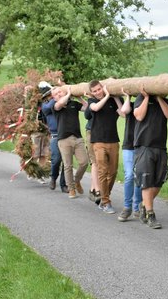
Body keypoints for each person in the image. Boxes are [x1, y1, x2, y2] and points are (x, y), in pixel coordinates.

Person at [132, 86, 168, 228]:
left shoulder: (166, 101)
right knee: (146, 181)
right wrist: (147, 98)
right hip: (144, 146)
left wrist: (159, 99)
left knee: (158, 182)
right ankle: (150, 214)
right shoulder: (141, 98)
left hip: (160, 146)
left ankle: (144, 203)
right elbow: (138, 115)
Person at [88, 80, 125, 214]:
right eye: (95, 91)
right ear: (92, 93)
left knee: (113, 172)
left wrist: (116, 98)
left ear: (103, 88)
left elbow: (123, 114)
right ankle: (105, 202)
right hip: (98, 141)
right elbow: (96, 108)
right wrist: (106, 96)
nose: (98, 92)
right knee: (102, 171)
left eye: (99, 89)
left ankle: (104, 196)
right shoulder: (92, 102)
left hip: (113, 140)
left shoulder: (113, 100)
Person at [53, 86, 89, 199]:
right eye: (56, 94)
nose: (59, 94)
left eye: (60, 91)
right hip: (64, 139)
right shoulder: (55, 106)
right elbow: (59, 104)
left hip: (77, 137)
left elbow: (87, 108)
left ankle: (77, 180)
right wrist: (68, 94)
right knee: (68, 165)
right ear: (54, 98)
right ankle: (71, 188)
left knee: (84, 162)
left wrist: (79, 98)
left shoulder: (73, 104)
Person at [117, 90, 143, 222]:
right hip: (128, 145)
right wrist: (127, 96)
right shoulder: (131, 105)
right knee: (128, 176)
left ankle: (137, 205)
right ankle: (127, 207)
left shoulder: (147, 105)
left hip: (141, 146)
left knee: (138, 176)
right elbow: (125, 110)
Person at [40, 82, 67, 192]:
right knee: (56, 159)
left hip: (66, 135)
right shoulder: (45, 105)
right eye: (49, 95)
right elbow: (48, 107)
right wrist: (56, 97)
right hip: (55, 136)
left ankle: (64, 184)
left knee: (66, 161)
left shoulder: (61, 103)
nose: (50, 97)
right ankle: (53, 177)